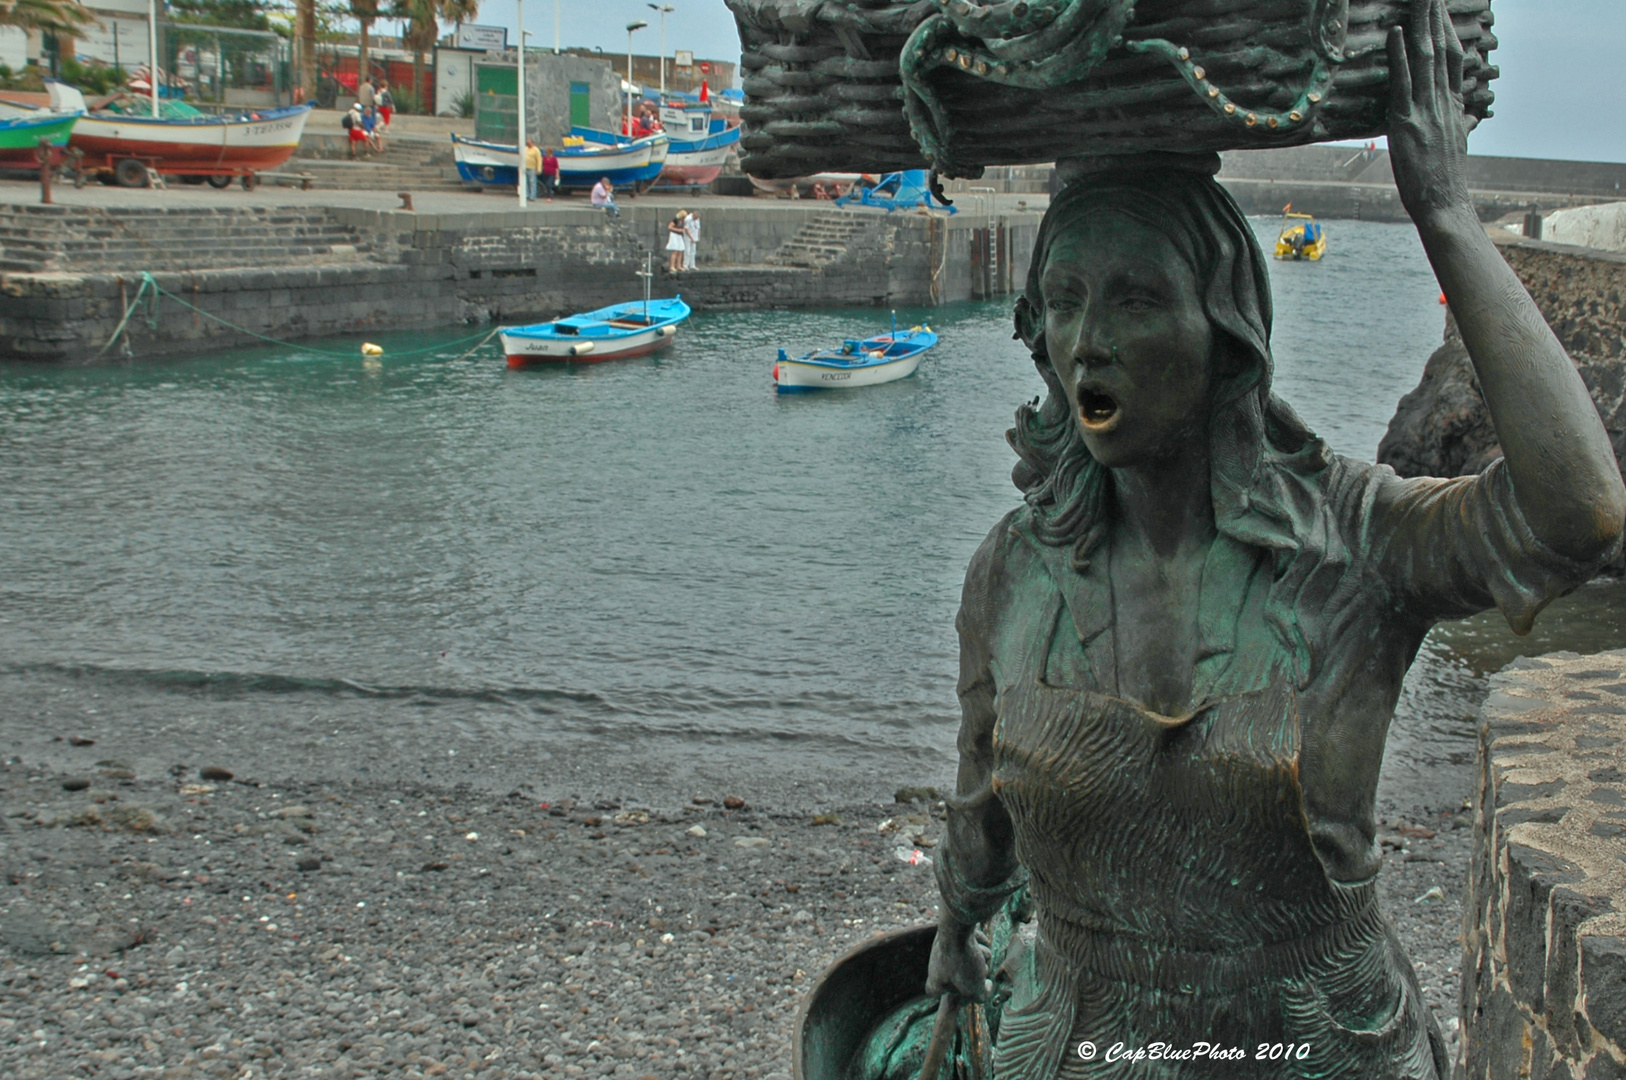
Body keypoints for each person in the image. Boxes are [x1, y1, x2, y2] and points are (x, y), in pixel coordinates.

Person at [921, 3, 1625, 1079]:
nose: (1087, 339)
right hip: (1075, 1040)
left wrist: (1447, 219)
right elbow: (983, 798)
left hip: (1318, 1044)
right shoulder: (1013, 570)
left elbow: (1575, 515)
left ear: (1227, 337)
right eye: (1063, 301)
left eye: (1138, 297)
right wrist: (954, 931)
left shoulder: (1356, 542)